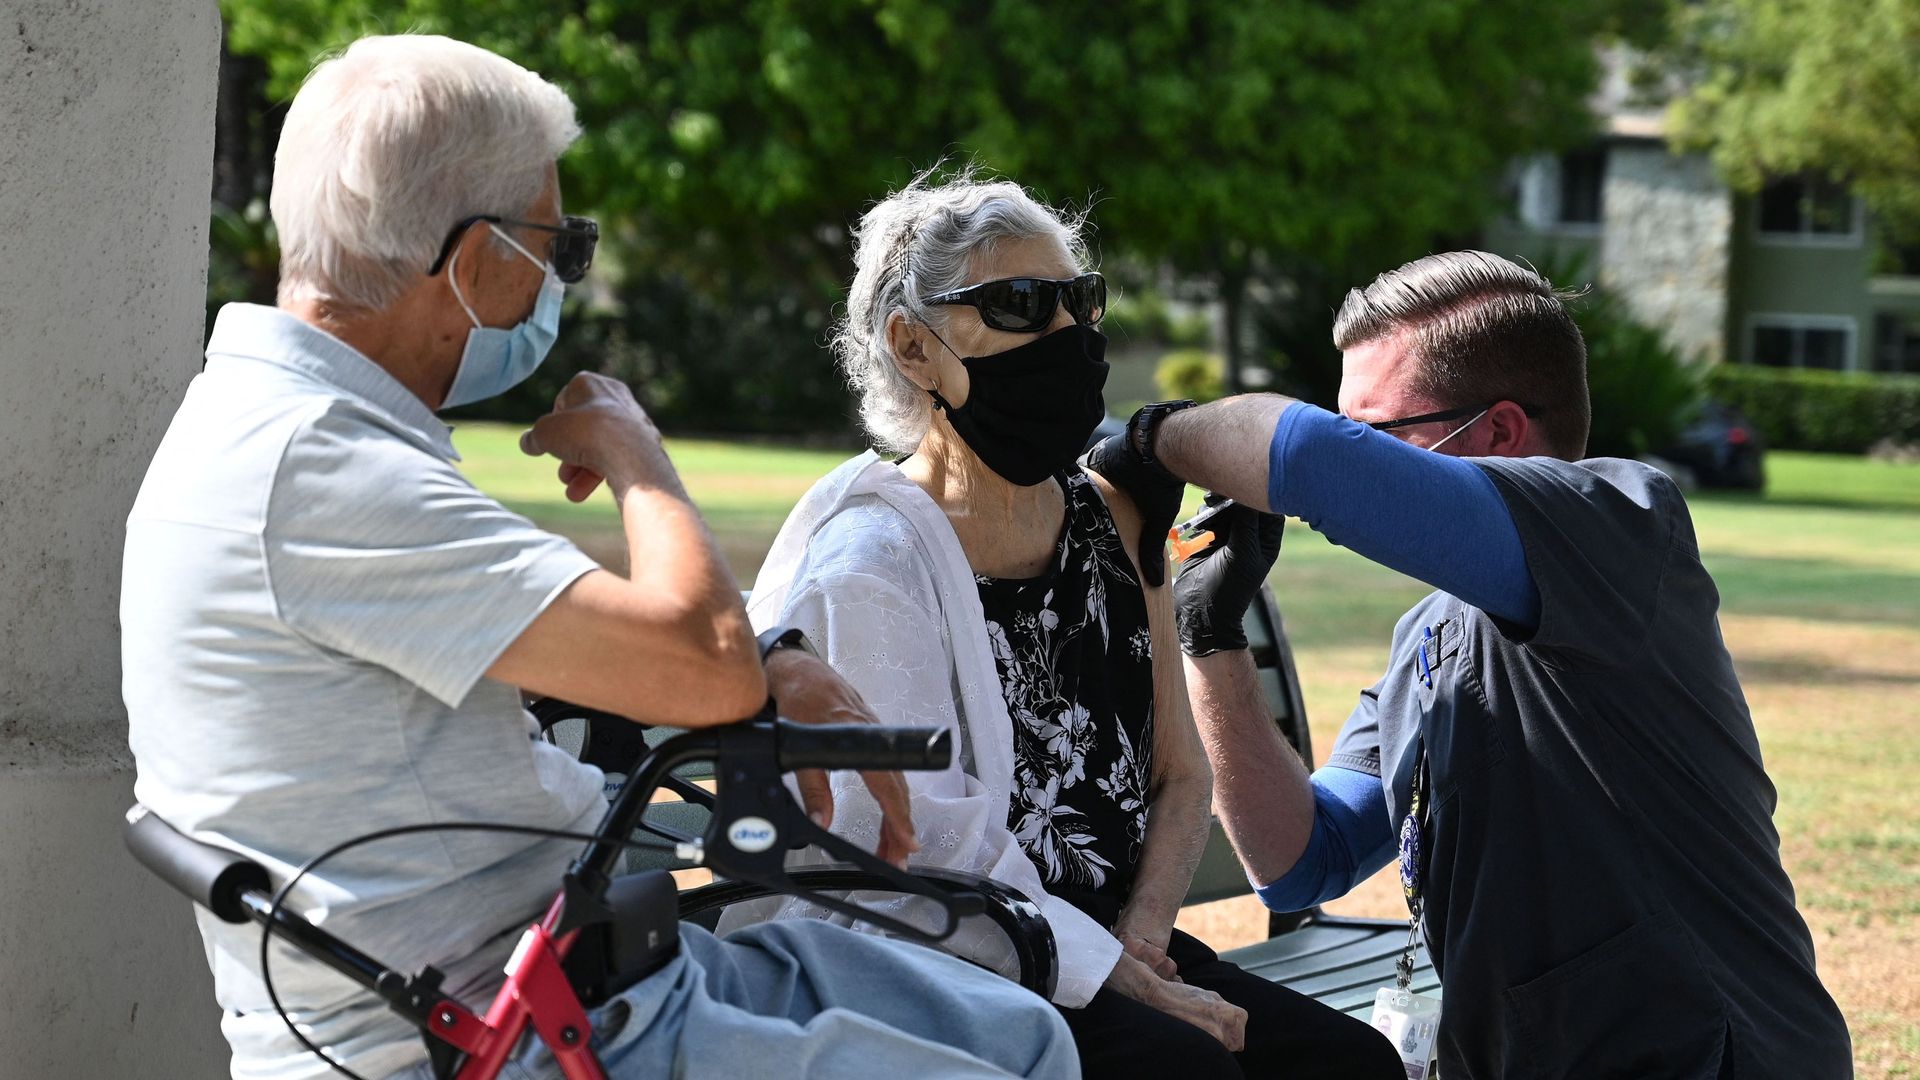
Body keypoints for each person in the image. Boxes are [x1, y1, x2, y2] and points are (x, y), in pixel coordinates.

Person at [121, 36, 1076, 1080]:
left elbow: (595, 635)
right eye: (560, 247)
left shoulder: (279, 432)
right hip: (513, 1031)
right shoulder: (319, 471)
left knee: (1021, 1031)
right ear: (480, 257)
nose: (560, 280)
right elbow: (698, 667)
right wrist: (637, 456)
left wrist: (779, 660)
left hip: (582, 976)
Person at [1086, 251, 1854, 1079]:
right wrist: (1210, 636)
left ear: (1499, 433)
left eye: (1375, 434)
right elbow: (1300, 861)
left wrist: (1142, 438)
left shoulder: (1619, 523)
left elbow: (1309, 458)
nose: (1361, 457)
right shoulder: (1433, 631)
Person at [724, 173, 1400, 1080]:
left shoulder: (1114, 519)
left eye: (1079, 302)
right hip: (949, 961)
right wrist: (1121, 975)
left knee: (1348, 1066)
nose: (1069, 336)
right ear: (913, 350)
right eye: (1020, 305)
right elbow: (922, 851)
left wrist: (1147, 941)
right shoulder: (872, 561)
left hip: (1115, 946)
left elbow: (1177, 769)